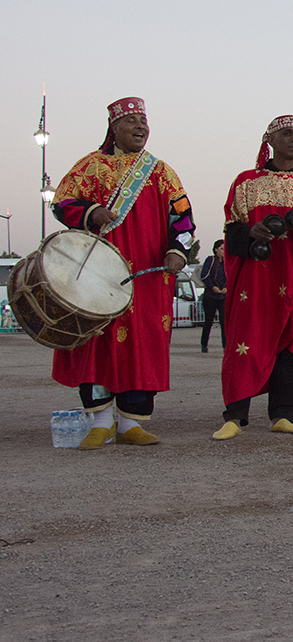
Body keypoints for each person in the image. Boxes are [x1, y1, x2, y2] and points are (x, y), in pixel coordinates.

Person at [49, 96, 195, 449]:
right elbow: (61, 204)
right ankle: (100, 421)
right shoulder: (89, 168)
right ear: (113, 128)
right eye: (131, 122)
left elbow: (184, 218)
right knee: (96, 343)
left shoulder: (161, 172)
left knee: (143, 344)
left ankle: (132, 422)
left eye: (143, 122)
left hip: (146, 276)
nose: (140, 127)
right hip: (95, 276)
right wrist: (92, 211)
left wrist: (178, 251)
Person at [214, 115, 293, 440]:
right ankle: (235, 415)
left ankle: (284, 413)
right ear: (270, 139)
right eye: (288, 133)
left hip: (292, 279)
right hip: (255, 280)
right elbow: (232, 231)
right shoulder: (246, 182)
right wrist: (252, 234)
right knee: (244, 342)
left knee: (290, 345)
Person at [199, 239, 227, 353]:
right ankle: (204, 344)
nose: (223, 251)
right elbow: (204, 275)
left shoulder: (227, 262)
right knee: (208, 321)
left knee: (224, 321)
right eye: (221, 248)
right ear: (216, 250)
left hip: (223, 296)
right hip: (210, 295)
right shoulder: (210, 260)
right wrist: (212, 287)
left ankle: (225, 345)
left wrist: (226, 288)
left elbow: (231, 276)